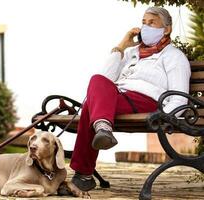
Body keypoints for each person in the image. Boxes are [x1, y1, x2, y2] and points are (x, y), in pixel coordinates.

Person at [69, 6, 191, 192]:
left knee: (90, 106)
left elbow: (179, 96)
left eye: (152, 23)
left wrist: (163, 116)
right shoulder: (131, 53)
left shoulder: (174, 57)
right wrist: (121, 45)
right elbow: (105, 79)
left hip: (147, 101)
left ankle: (83, 174)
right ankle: (103, 127)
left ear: (166, 29)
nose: (146, 27)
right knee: (97, 81)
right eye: (143, 23)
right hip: (119, 98)